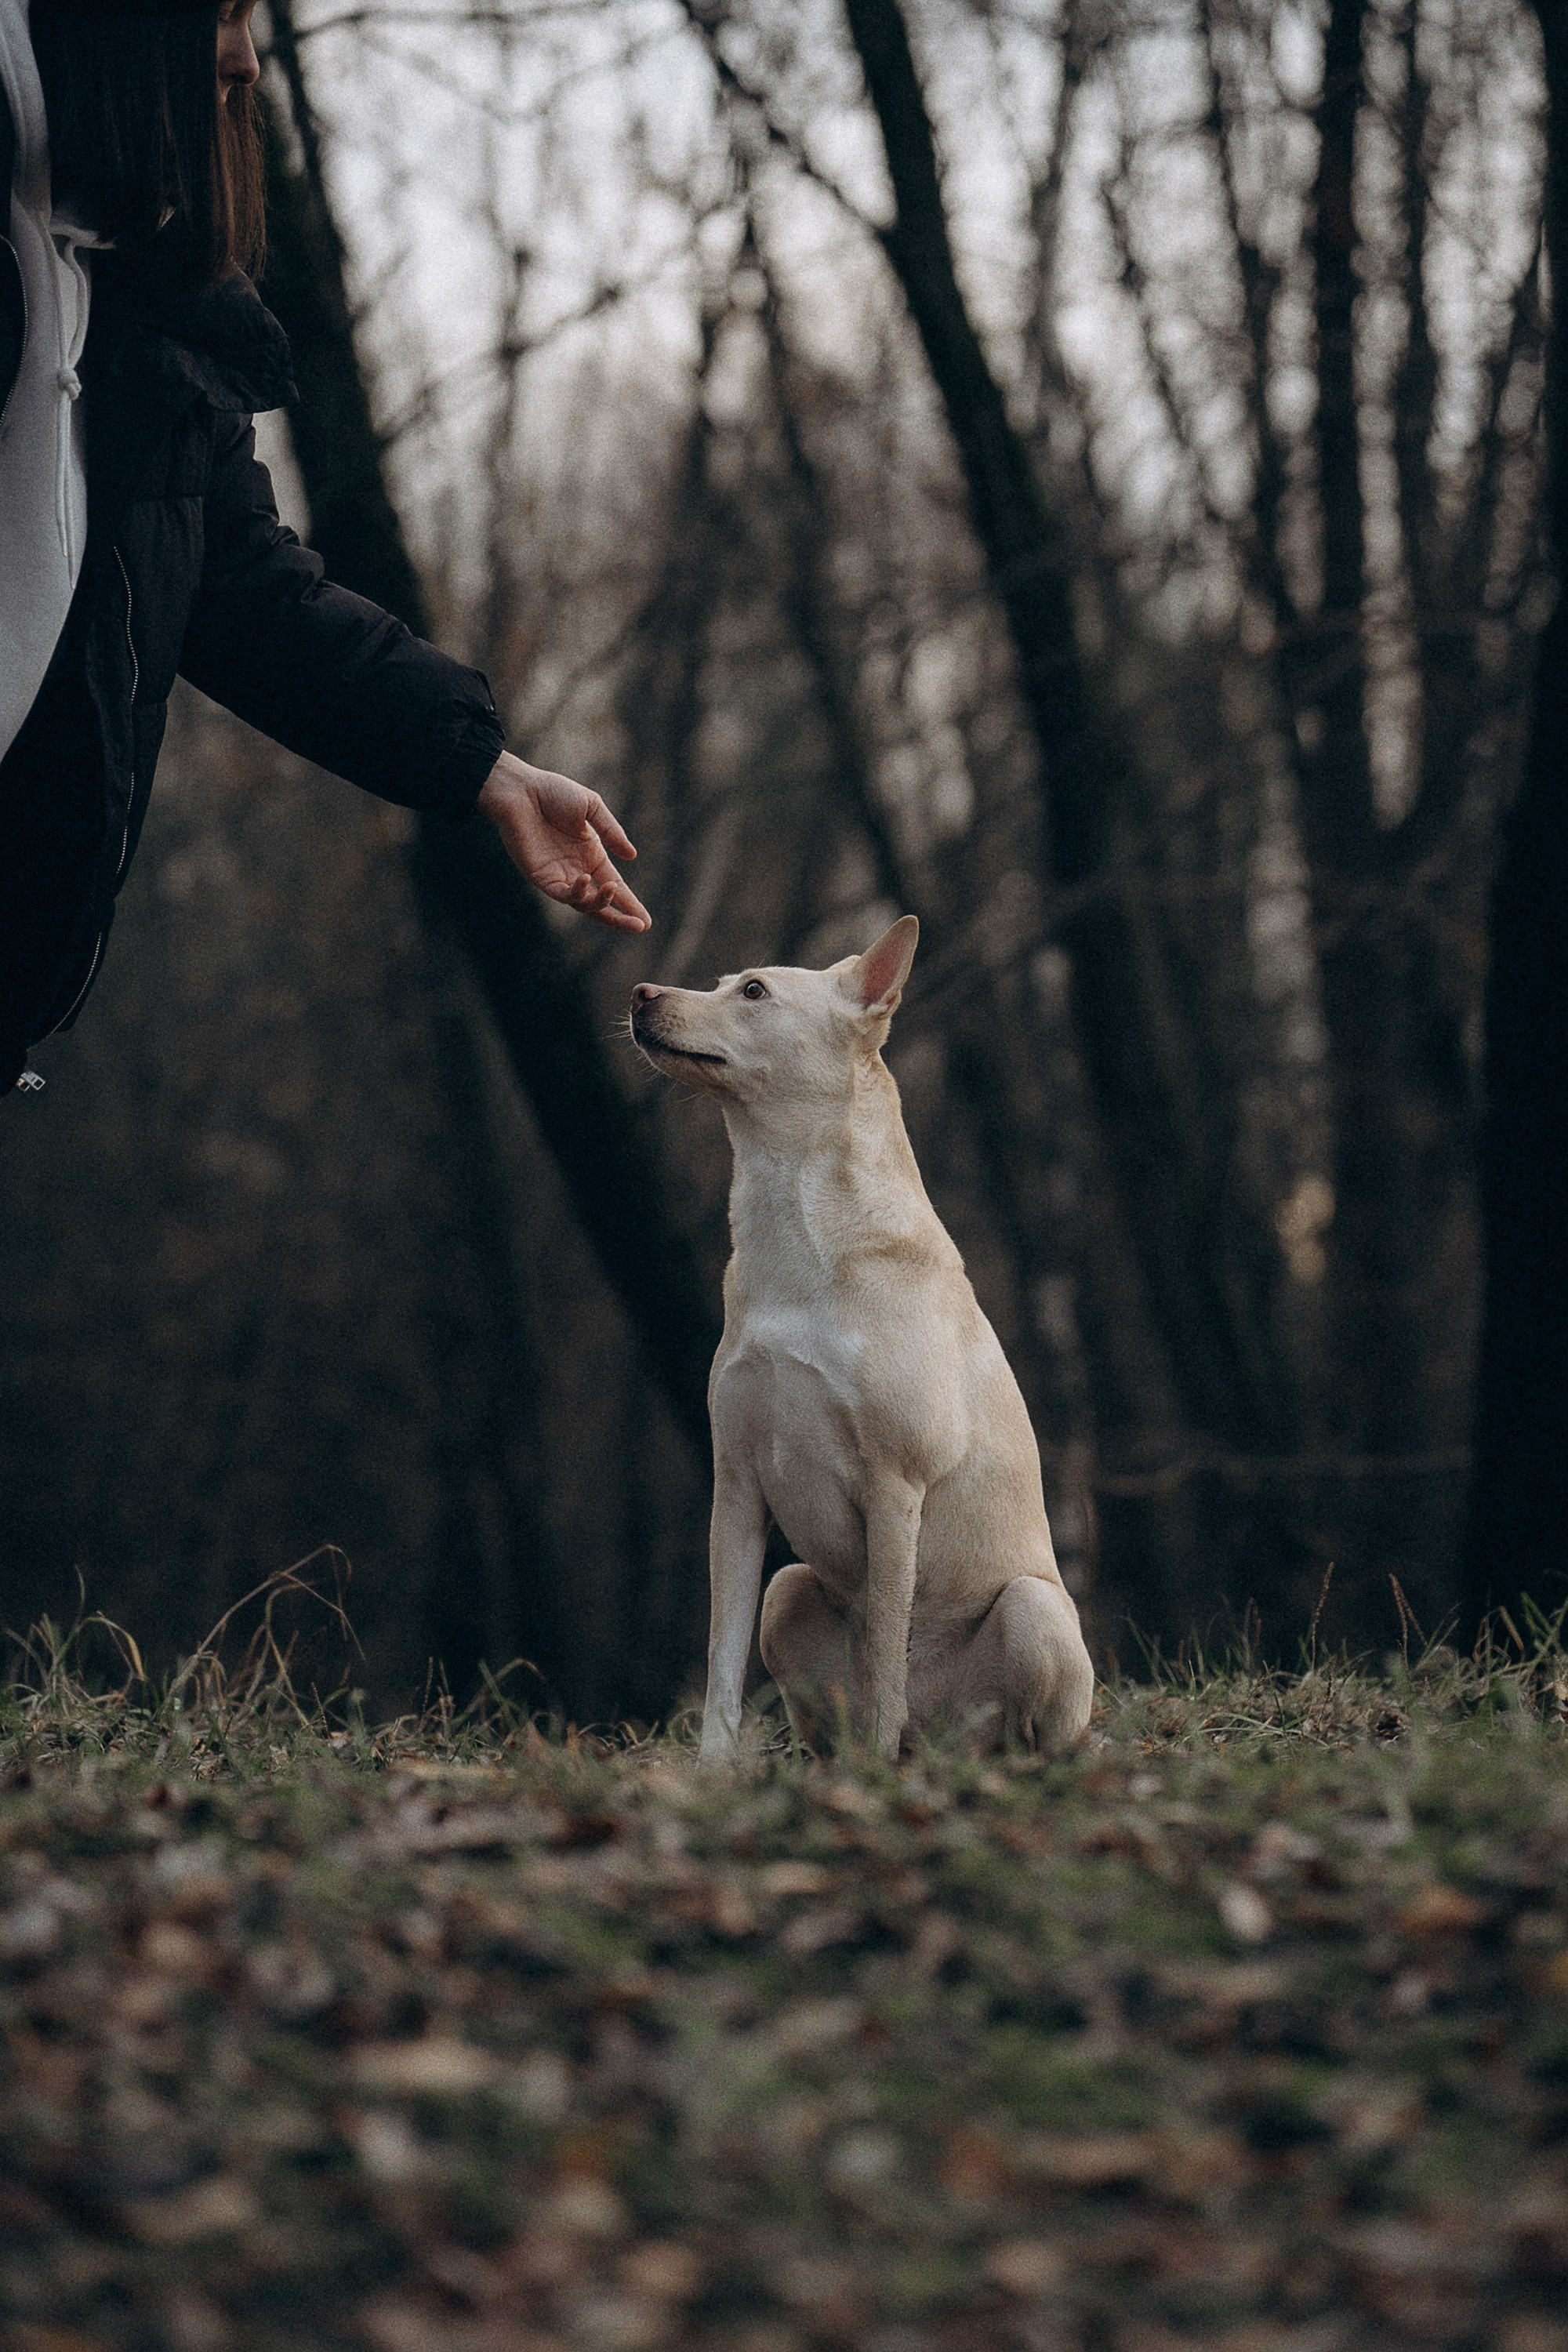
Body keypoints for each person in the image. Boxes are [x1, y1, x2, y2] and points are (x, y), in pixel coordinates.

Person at [0, 0, 650, 1096]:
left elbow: (241, 584)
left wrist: (482, 768)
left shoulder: (148, 287)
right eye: (218, 12)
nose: (244, 62)